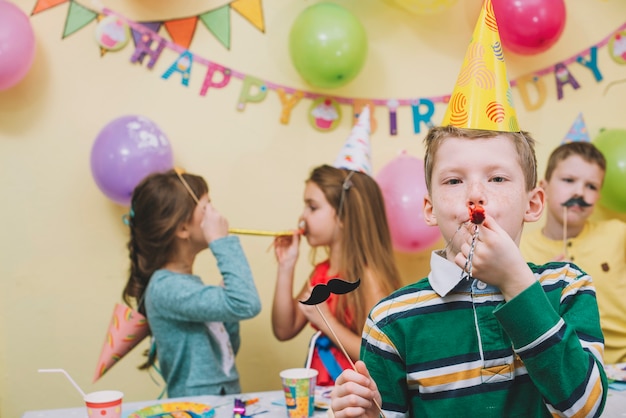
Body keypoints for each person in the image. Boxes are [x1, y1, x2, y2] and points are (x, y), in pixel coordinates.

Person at [330, 125, 608, 417]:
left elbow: (585, 409)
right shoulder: (389, 321)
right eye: (453, 181)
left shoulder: (567, 287)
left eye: (497, 178)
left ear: (533, 202)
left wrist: (515, 282)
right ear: (429, 208)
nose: (475, 195)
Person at [121, 168, 262, 397]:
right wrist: (220, 242)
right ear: (183, 228)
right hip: (196, 409)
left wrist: (226, 310)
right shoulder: (166, 288)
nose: (216, 215)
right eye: (206, 207)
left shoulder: (187, 286)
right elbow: (248, 304)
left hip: (223, 402)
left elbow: (226, 353)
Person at [271, 164, 402, 386]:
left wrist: (327, 322)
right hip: (324, 396)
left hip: (354, 398)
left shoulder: (369, 278)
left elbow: (378, 354)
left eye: (312, 207)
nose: (302, 217)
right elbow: (284, 329)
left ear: (344, 216)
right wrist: (286, 266)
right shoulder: (322, 273)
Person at [521, 141, 626, 364]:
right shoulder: (520, 251)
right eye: (569, 180)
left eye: (591, 186)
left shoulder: (618, 234)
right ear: (544, 189)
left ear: (598, 196)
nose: (579, 191)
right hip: (562, 368)